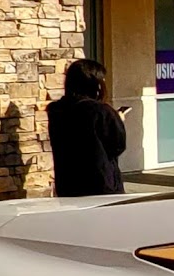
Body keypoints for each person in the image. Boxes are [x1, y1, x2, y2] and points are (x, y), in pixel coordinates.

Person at [47, 58, 129, 197]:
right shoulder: (101, 111)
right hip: (100, 185)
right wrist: (118, 120)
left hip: (68, 184)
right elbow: (117, 145)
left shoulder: (57, 110)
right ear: (95, 84)